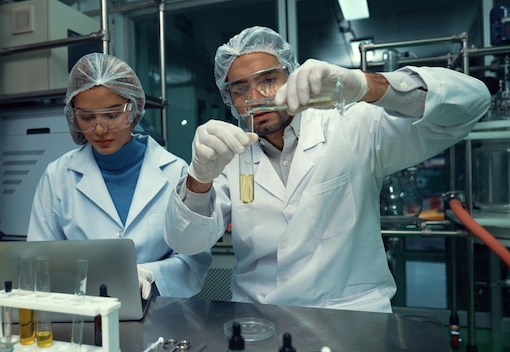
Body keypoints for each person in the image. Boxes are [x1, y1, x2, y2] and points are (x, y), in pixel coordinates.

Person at [163, 26, 491, 313]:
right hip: (258, 317)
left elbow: (471, 104)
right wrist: (199, 178)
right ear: (228, 96)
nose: (255, 97)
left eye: (268, 80)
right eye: (240, 88)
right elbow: (188, 242)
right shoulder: (228, 153)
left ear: (290, 78)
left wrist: (366, 85)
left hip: (350, 316)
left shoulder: (352, 125)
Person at [27, 52, 211, 299]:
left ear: (134, 110)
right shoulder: (58, 176)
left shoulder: (174, 171)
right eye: (87, 117)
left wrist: (150, 273)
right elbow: (39, 260)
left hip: (160, 312)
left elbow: (194, 258)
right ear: (73, 116)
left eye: (112, 115)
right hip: (84, 315)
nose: (100, 129)